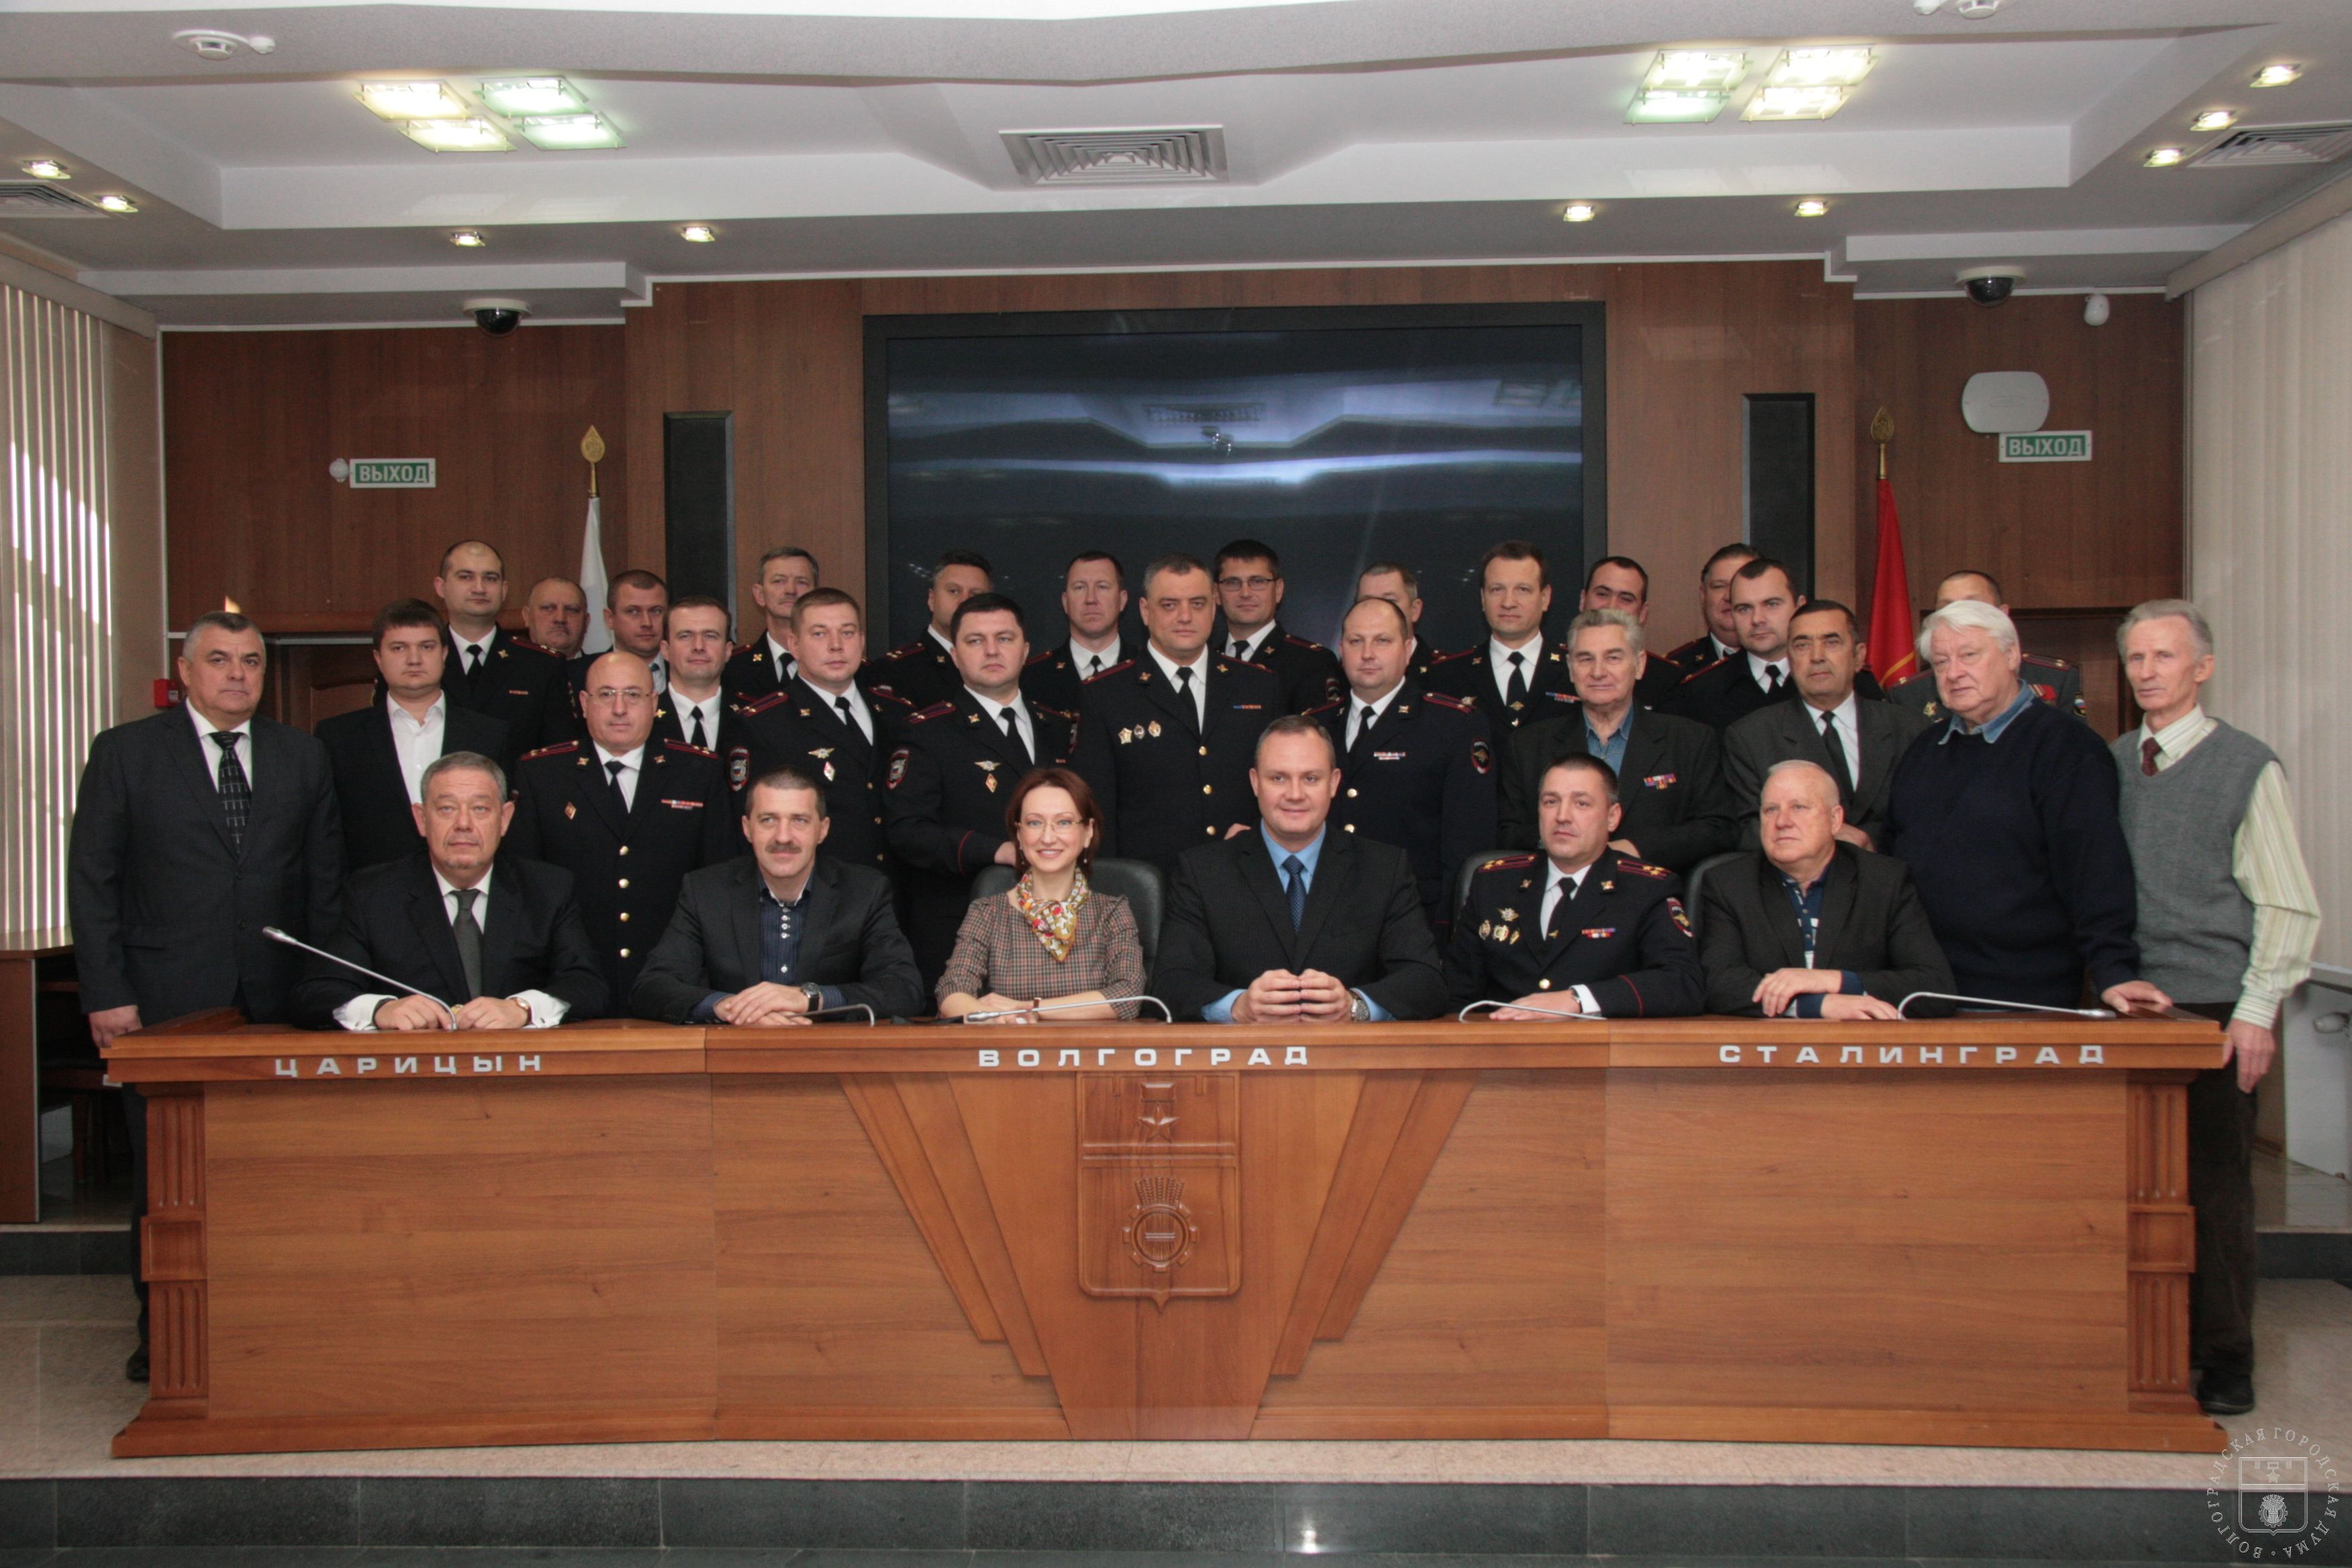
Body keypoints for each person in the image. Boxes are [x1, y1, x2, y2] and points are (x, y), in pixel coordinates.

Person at [68, 609, 343, 1383]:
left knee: (277, 1169)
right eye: (219, 659)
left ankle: (270, 1320)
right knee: (169, 1173)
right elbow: (93, 880)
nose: (237, 674)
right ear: (185, 671)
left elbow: (323, 883)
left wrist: (330, 991)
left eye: (251, 661)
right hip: (163, 1000)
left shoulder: (301, 754)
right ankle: (163, 1330)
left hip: (280, 1000)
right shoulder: (125, 752)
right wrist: (107, 992)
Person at [2111, 599, 2321, 1417]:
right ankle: (2152, 1342)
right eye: (2136, 657)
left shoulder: (2245, 765)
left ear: (2203, 667)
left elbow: (2287, 903)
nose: (2148, 671)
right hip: (2129, 1008)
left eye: (2165, 656)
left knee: (2215, 1186)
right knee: (2136, 1185)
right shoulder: (2115, 760)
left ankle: (2227, 1353)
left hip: (2214, 1008)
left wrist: (2257, 1010)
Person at [1883, 600, 2169, 1013]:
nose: (1954, 672)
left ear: (2012, 655)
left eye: (1969, 655)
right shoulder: (1923, 751)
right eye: (1941, 662)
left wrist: (2114, 969)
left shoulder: (2067, 747)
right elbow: (1895, 865)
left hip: (2024, 996)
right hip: (1923, 991)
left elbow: (2095, 869)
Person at [1155, 717, 1447, 1023]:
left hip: (1349, 1051)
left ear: (1333, 783)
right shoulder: (1202, 871)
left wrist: (1355, 1006)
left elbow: (1426, 980)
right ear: (1255, 782)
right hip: (1243, 1051)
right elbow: (1171, 982)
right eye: (1278, 778)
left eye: (1310, 778)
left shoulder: (1384, 869)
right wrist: (1237, 1007)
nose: (1295, 794)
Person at [294, 752, 608, 1031]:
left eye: (480, 809)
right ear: (421, 819)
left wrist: (522, 1009)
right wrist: (381, 1010)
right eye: (446, 809)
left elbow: (587, 985)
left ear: (505, 819)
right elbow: (316, 994)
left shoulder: (547, 889)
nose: (463, 824)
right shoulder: (372, 894)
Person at [505, 650, 737, 1003]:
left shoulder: (698, 772)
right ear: (584, 704)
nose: (619, 708)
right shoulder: (542, 775)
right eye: (606, 694)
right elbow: (527, 886)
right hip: (570, 982)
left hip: (674, 981)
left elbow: (718, 881)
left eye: (632, 694)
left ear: (653, 703)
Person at [884, 592, 1079, 984]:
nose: (992, 650)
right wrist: (996, 850)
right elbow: (908, 832)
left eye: (1004, 639)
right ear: (955, 655)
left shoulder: (1060, 727)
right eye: (976, 641)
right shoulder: (926, 732)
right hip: (963, 926)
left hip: (1059, 927)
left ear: (1025, 650)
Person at [631, 767, 926, 1024]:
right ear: (747, 828)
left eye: (799, 820)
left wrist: (809, 999)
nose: (783, 837)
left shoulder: (864, 891)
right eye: (768, 820)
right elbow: (652, 987)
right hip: (732, 1058)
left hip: (831, 1060)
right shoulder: (706, 891)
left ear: (822, 830)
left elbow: (904, 990)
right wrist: (732, 1008)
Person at [1069, 553, 1281, 877]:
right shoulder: (1105, 695)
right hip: (1151, 884)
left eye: (1197, 604)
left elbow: (1279, 784)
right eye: (1169, 605)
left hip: (1243, 875)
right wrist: (1114, 889)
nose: (1185, 617)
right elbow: (1096, 810)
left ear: (1214, 607)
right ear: (1145, 611)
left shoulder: (1257, 685)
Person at [1447, 754, 1703, 1018]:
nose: (1562, 816)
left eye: (1581, 803)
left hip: (1601, 1041)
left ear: (1612, 817)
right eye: (1551, 802)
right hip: (1502, 1039)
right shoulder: (1493, 882)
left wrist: (1578, 1000)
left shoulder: (1647, 888)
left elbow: (1682, 982)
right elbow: (1454, 992)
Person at [1698, 761, 1953, 1018]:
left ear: (1835, 820)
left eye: (1799, 807)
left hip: (1861, 1040)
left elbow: (1934, 987)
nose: (1782, 821)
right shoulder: (1730, 884)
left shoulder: (1884, 880)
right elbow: (1719, 983)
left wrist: (1834, 981)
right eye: (1771, 810)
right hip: (1767, 1040)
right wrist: (1816, 1005)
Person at [1309, 597, 1496, 932]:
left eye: (1382, 641)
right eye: (1356, 641)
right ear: (1341, 649)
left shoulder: (1453, 725)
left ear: (1408, 650)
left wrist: (1449, 929)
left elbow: (1467, 842)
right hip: (1325, 915)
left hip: (1413, 918)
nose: (1368, 653)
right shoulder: (1314, 726)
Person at [1498, 609, 1734, 873]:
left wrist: (1635, 848)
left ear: (1639, 665)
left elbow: (1716, 828)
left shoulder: (1690, 741)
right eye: (1586, 659)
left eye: (1613, 658)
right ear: (1571, 668)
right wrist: (1568, 842)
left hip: (1654, 889)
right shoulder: (1529, 745)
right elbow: (1509, 832)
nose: (1598, 672)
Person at [936, 767, 1147, 1022]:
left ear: (1088, 832)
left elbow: (1128, 997)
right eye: (1035, 823)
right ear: (1019, 834)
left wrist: (1027, 1008)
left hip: (1094, 1047)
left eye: (1064, 822)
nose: (1047, 837)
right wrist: (991, 1017)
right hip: (1009, 1045)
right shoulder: (987, 913)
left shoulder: (1112, 912)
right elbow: (951, 991)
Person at [316, 599, 509, 868]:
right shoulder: (339, 737)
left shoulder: (490, 734)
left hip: (465, 882)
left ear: (444, 654)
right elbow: (327, 833)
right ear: (378, 659)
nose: (414, 659)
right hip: (371, 887)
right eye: (399, 648)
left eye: (426, 647)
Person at [1724, 600, 1929, 852]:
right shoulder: (1751, 737)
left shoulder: (1910, 728)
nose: (1817, 656)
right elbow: (1749, 830)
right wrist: (1829, 836)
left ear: (1858, 657)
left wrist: (1870, 840)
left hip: (1892, 869)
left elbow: (1927, 815)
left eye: (1831, 643)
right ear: (1790, 660)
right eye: (1802, 646)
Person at [734, 587, 906, 873]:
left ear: (862, 641)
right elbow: (752, 829)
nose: (836, 645)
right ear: (794, 644)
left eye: (847, 633)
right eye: (819, 634)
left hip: (897, 885)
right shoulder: (764, 724)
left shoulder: (896, 712)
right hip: (819, 888)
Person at [1888, 569, 2086, 722]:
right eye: (1947, 608)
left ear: (2002, 614)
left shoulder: (2055, 677)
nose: (1959, 615)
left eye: (1973, 607)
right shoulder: (1908, 693)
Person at [435, 539, 571, 756]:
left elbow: (557, 756)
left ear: (504, 590)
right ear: (441, 587)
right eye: (466, 577)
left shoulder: (542, 666)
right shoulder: (418, 660)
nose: (479, 588)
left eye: (490, 578)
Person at [1424, 540, 1575, 734]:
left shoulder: (1576, 668)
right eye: (1497, 589)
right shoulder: (1446, 676)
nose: (1508, 603)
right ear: (1483, 598)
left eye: (1523, 589)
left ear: (1545, 597)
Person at [1665, 554, 1805, 731]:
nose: (1757, 619)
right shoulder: (1699, 693)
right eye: (1744, 609)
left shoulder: (1824, 679)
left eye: (1771, 604)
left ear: (1800, 607)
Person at [1212, 539, 1342, 713]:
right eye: (1232, 582)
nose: (1245, 593)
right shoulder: (1205, 660)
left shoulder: (1312, 663)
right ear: (1216, 593)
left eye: (1258, 582)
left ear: (1278, 590)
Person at [864, 549, 991, 709]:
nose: (964, 601)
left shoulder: (1004, 664)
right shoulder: (896, 670)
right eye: (953, 591)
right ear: (932, 599)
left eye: (975, 595)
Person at [1022, 550, 1130, 714]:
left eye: (1102, 587)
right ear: (1065, 602)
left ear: (1122, 600)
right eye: (1080, 588)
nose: (1091, 599)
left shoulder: (1151, 670)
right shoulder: (1030, 677)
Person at [1580, 555, 1681, 706]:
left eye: (1626, 599)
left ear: (1642, 613)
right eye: (1602, 594)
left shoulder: (1667, 680)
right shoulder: (1556, 669)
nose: (1612, 607)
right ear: (1583, 600)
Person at [722, 546, 820, 703]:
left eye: (802, 582)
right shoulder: (730, 668)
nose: (790, 590)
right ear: (760, 595)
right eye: (779, 581)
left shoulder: (840, 664)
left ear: (815, 595)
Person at [1655, 542, 1753, 685]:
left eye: (1740, 586)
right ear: (1703, 596)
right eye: (1719, 586)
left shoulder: (1787, 662)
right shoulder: (1673, 671)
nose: (1729, 596)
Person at [567, 569, 670, 703]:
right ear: (610, 619)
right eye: (633, 611)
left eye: (656, 611)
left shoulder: (689, 671)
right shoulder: (572, 676)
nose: (647, 623)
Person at [652, 595, 737, 756]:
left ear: (728, 651)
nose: (698, 646)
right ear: (665, 650)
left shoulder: (755, 720)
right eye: (686, 636)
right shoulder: (643, 720)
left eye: (710, 636)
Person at [1357, 560, 1449, 676]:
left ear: (1415, 610)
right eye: (1367, 602)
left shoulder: (1447, 672)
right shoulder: (1341, 675)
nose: (1378, 611)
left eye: (1390, 601)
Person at [521, 576, 589, 663]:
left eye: (571, 610)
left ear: (586, 622)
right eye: (548, 608)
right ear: (526, 616)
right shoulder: (508, 670)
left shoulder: (600, 670)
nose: (560, 619)